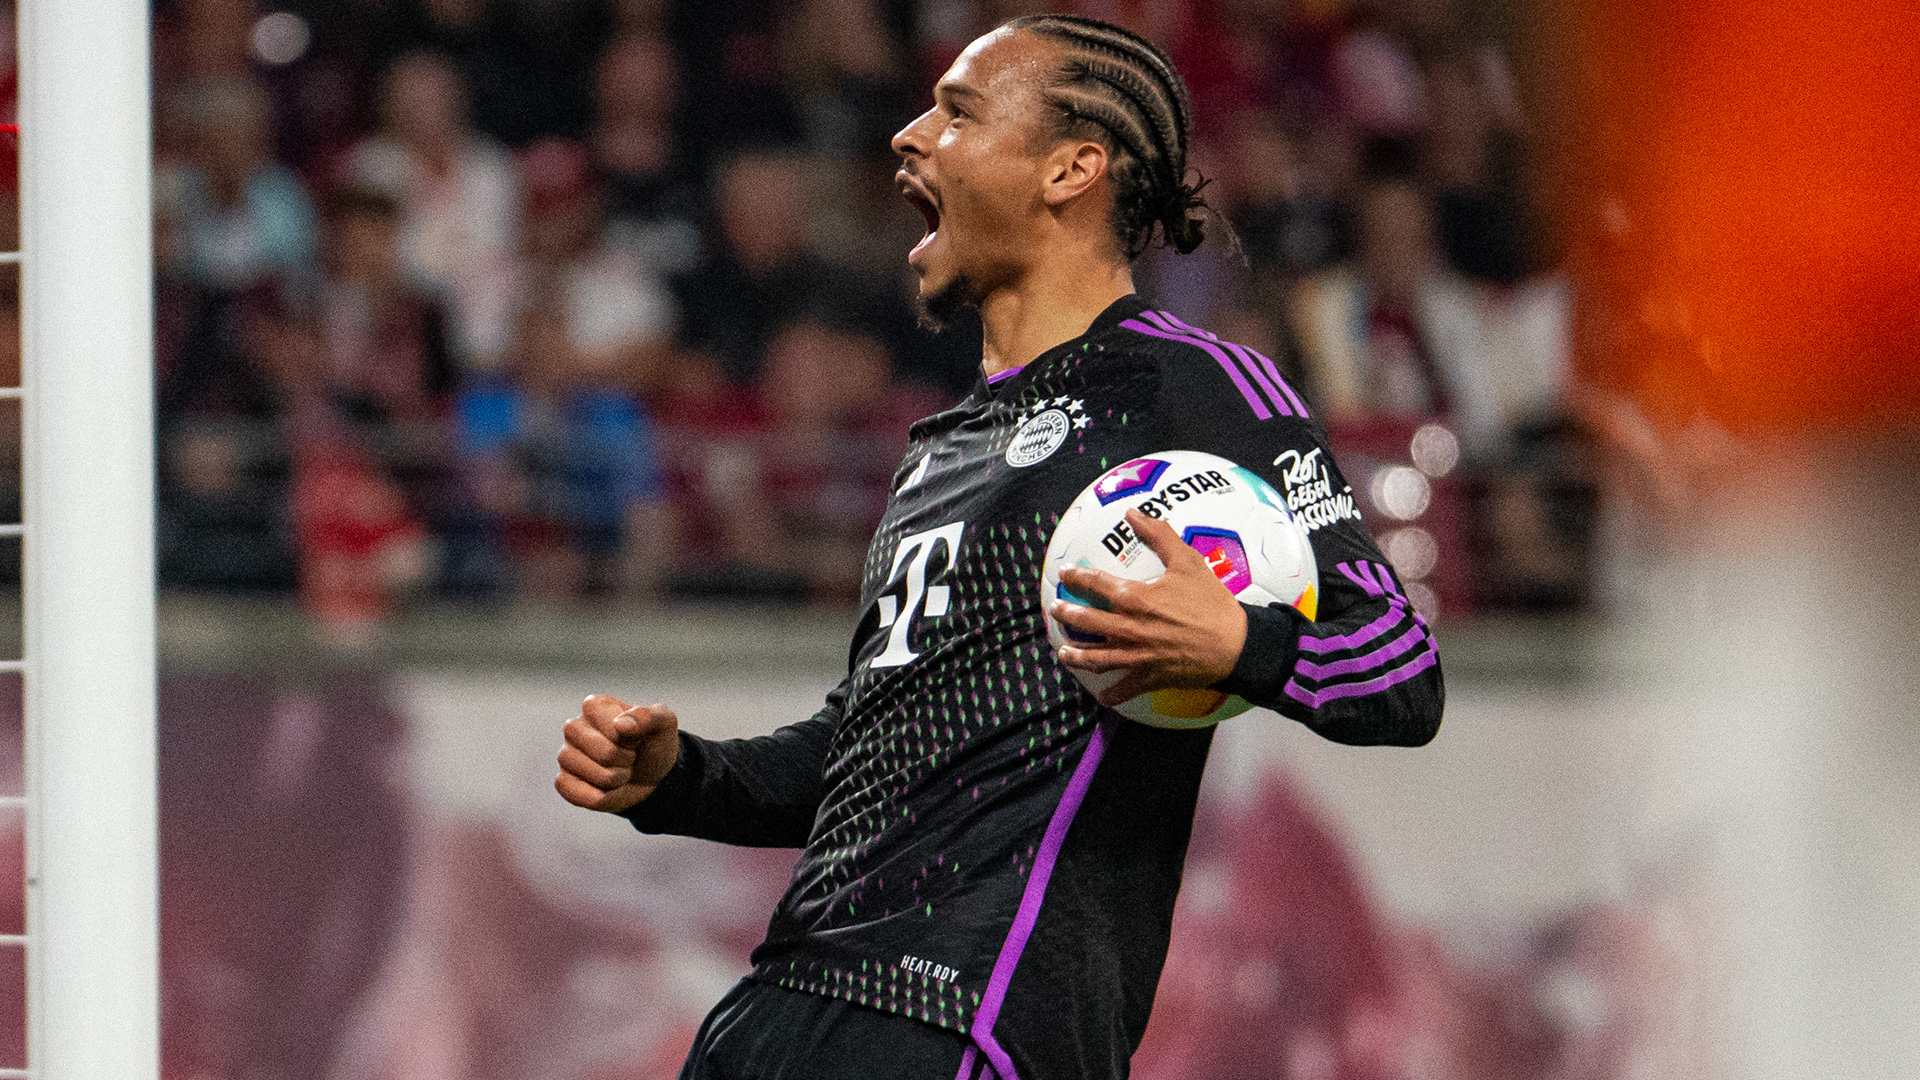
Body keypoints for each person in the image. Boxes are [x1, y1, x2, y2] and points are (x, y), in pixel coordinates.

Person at [555, 16, 1444, 1080]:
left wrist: (1240, 642)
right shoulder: (944, 444)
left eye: (960, 111)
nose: (909, 136)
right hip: (777, 1014)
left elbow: (1401, 667)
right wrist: (680, 779)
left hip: (968, 1026)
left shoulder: (1198, 389)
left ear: (1072, 168)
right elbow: (866, 753)